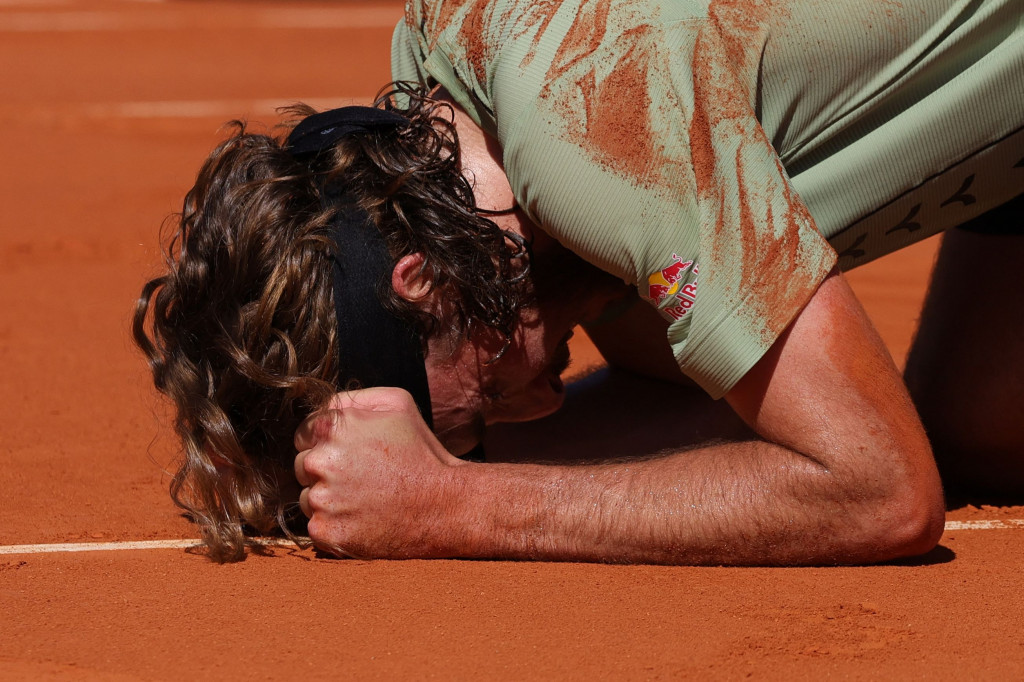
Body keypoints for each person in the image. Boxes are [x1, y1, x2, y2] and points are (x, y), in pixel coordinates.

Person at [135, 0, 1023, 564]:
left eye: (484, 405)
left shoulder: (590, 137)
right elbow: (710, 408)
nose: (539, 412)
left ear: (424, 283)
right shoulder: (440, 105)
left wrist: (457, 503)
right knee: (982, 430)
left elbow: (879, 489)